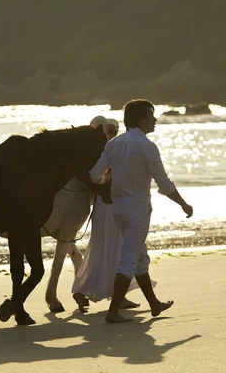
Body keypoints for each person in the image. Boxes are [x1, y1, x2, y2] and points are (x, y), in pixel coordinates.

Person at [89, 99, 193, 323]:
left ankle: (154, 304)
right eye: (151, 116)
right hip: (138, 212)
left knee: (139, 258)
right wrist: (184, 204)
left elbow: (95, 175)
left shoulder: (114, 144)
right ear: (140, 120)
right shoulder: (147, 146)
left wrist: (109, 181)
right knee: (128, 259)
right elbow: (163, 184)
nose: (154, 120)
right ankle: (113, 311)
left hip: (118, 211)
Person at [72, 118, 142, 311]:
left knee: (102, 249)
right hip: (112, 205)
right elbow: (98, 176)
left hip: (103, 205)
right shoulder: (107, 150)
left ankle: (84, 290)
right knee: (117, 249)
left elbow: (91, 176)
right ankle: (117, 296)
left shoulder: (99, 151)